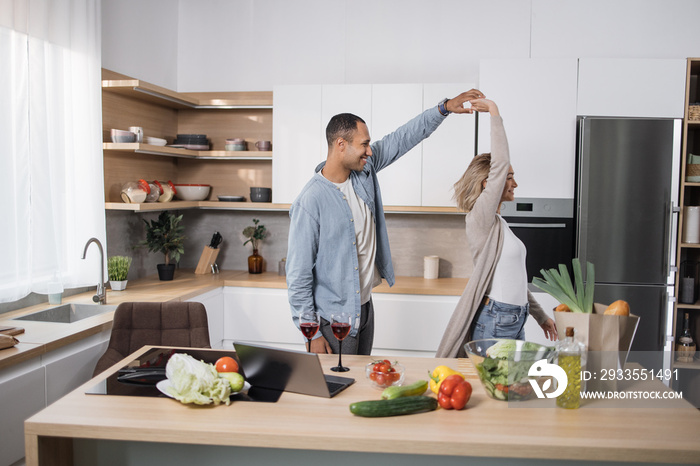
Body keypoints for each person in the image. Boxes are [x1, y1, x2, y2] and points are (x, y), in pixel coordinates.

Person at [287, 89, 485, 355]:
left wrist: (445, 108)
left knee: (359, 388)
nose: (370, 150)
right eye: (364, 144)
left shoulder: (363, 172)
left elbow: (403, 138)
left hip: (364, 308)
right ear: (341, 145)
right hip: (332, 322)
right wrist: (310, 333)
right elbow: (298, 276)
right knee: (336, 391)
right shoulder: (310, 201)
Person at [436, 98, 557, 358]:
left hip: (514, 319)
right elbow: (500, 164)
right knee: (491, 389)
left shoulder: (500, 225)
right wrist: (494, 111)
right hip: (496, 319)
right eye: (508, 178)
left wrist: (540, 316)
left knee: (508, 388)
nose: (514, 184)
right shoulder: (480, 218)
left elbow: (515, 280)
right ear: (486, 183)